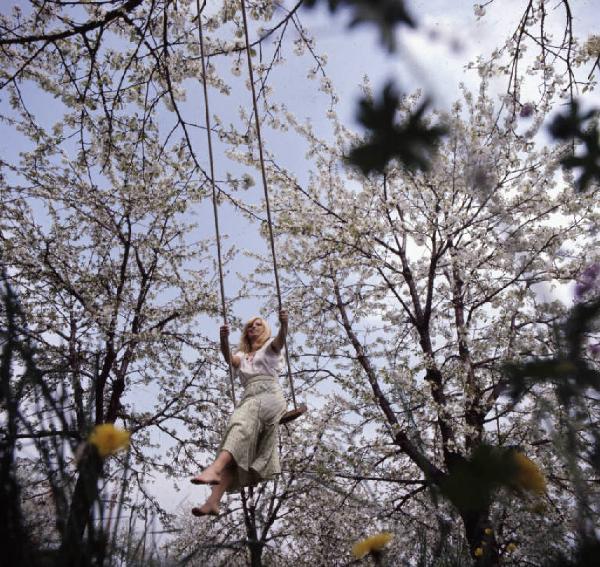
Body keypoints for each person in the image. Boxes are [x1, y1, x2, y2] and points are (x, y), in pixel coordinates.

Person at [190, 310, 289, 516]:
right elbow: (229, 359)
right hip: (250, 398)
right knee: (236, 445)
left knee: (239, 423)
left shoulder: (269, 349)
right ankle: (212, 501)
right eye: (250, 326)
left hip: (269, 396)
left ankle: (215, 468)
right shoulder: (243, 356)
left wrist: (284, 324)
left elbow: (280, 340)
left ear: (266, 330)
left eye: (258, 325)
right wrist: (223, 339)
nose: (253, 327)